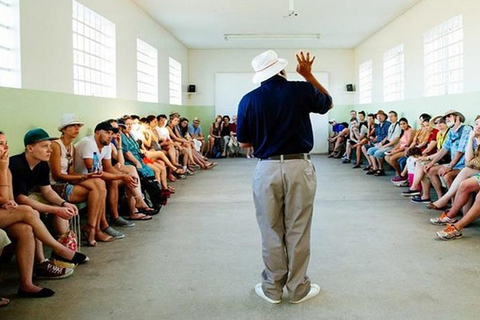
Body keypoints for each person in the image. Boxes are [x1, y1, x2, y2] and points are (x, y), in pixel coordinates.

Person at [237, 50, 333, 304]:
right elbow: (328, 103)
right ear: (282, 70)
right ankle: (298, 288)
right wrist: (308, 75)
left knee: (270, 228)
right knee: (298, 228)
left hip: (266, 168)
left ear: (260, 75)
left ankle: (272, 288)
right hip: (298, 165)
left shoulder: (248, 100)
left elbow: (245, 142)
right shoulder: (301, 89)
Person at [49, 114, 107, 246]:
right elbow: (57, 175)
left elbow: (70, 172)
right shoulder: (55, 146)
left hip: (66, 182)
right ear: (63, 129)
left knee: (99, 184)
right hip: (55, 186)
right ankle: (92, 230)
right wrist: (85, 176)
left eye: (78, 126)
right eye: (73, 126)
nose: (77, 129)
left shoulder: (72, 147)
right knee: (97, 187)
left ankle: (93, 228)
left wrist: (89, 176)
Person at [75, 121, 138, 239]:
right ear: (97, 133)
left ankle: (114, 217)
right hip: (79, 178)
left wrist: (124, 175)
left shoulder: (107, 145)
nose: (110, 136)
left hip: (91, 178)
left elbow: (108, 167)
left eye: (112, 133)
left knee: (115, 179)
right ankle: (102, 225)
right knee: (101, 184)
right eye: (107, 133)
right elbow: (93, 172)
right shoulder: (88, 143)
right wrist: (121, 176)